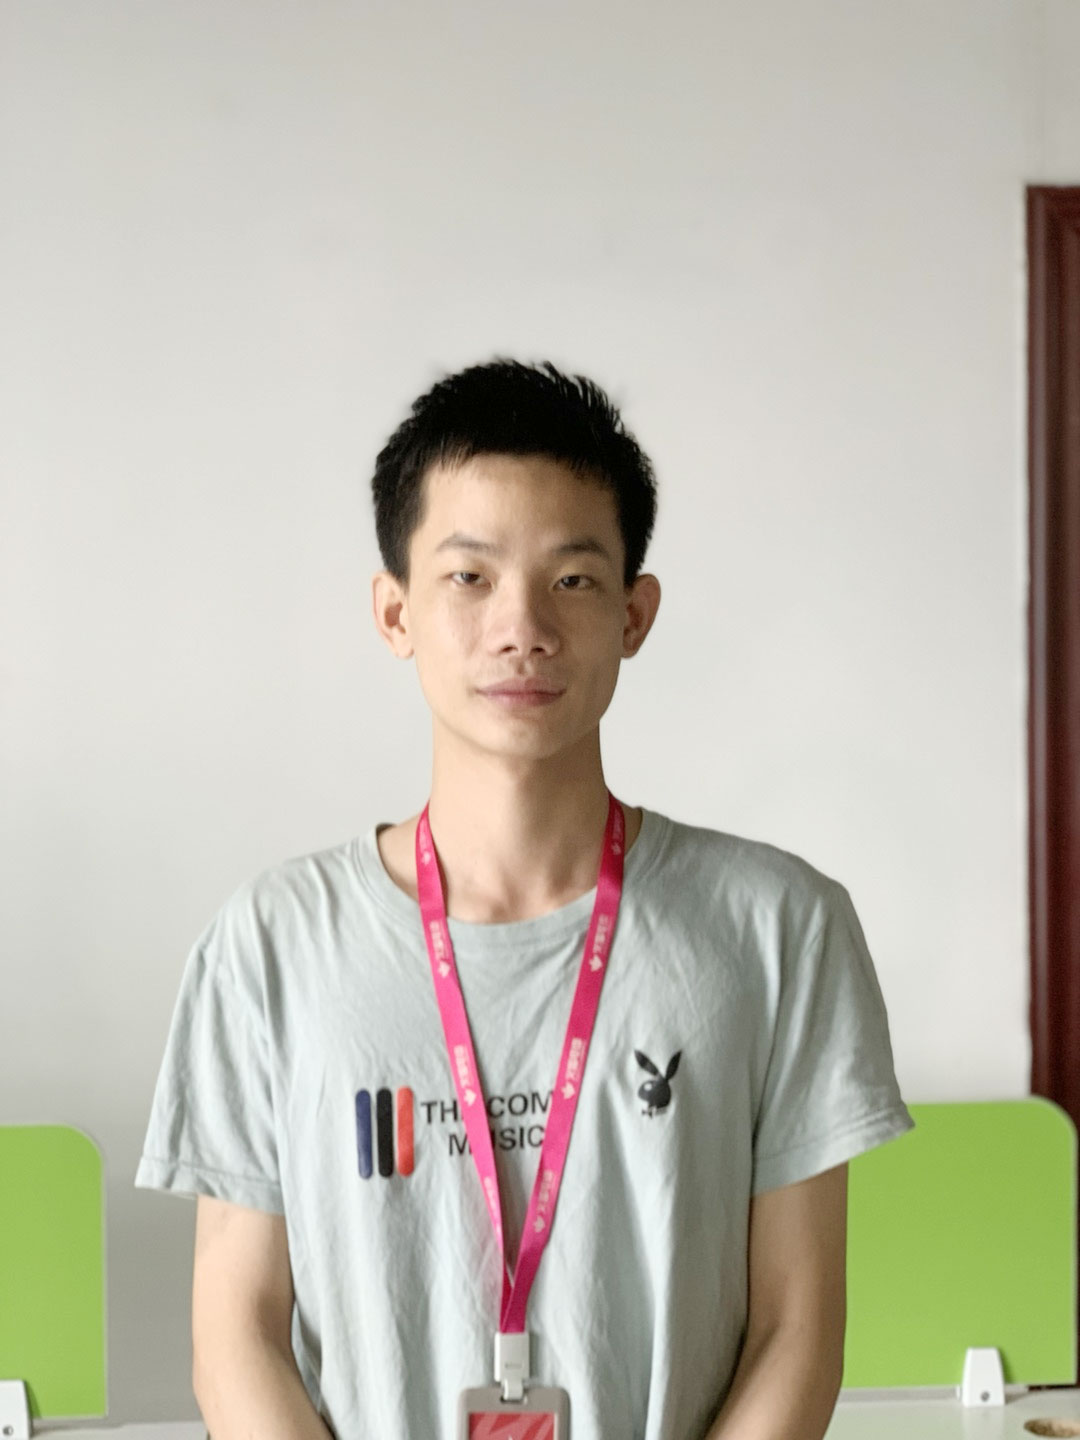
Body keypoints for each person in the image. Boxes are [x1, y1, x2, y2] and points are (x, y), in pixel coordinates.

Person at [135, 356, 914, 1440]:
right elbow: (236, 1331)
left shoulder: (779, 928)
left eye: (573, 580)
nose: (523, 626)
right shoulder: (271, 945)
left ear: (635, 613)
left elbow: (798, 1325)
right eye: (469, 576)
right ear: (395, 612)